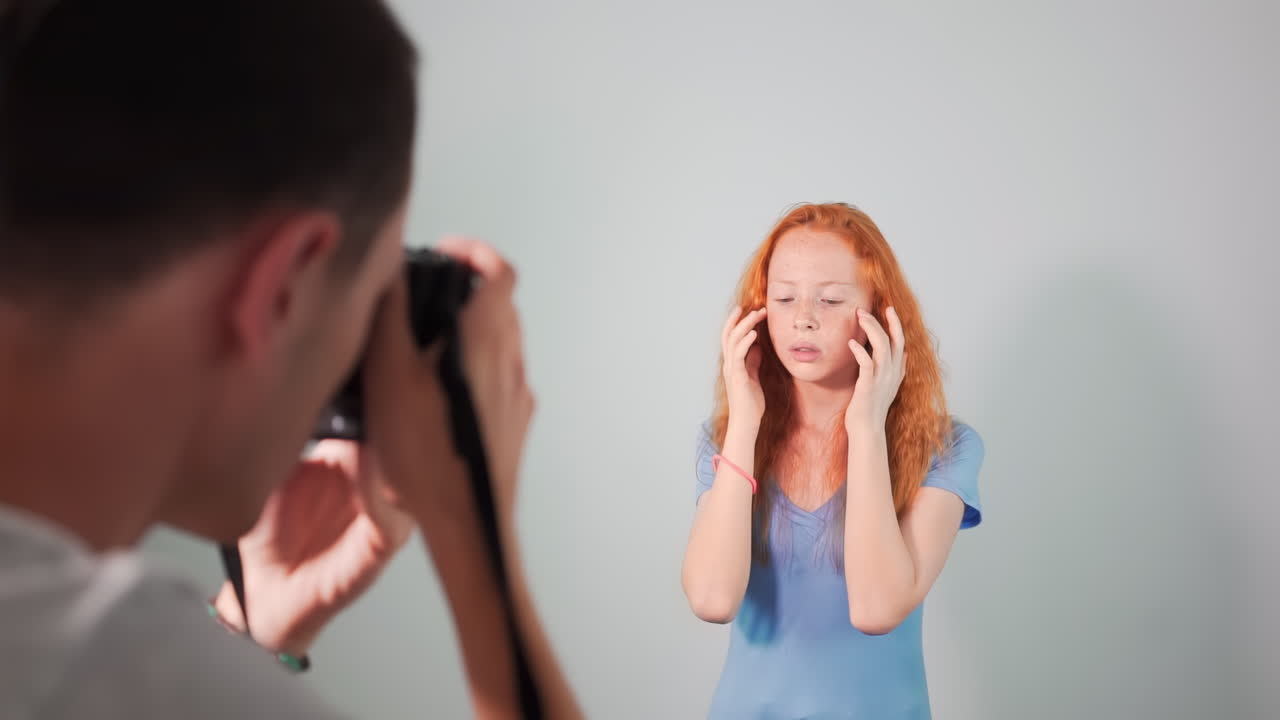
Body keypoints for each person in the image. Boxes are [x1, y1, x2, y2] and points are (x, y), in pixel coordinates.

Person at [0, 1, 582, 718]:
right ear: (283, 287)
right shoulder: (110, 663)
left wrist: (251, 633)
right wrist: (472, 532)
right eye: (370, 300)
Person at [681, 202, 985, 719]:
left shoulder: (947, 448)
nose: (803, 318)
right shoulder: (727, 440)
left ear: (879, 312)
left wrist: (865, 428)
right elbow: (711, 599)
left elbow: (876, 608)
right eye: (783, 298)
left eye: (829, 299)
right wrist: (746, 425)